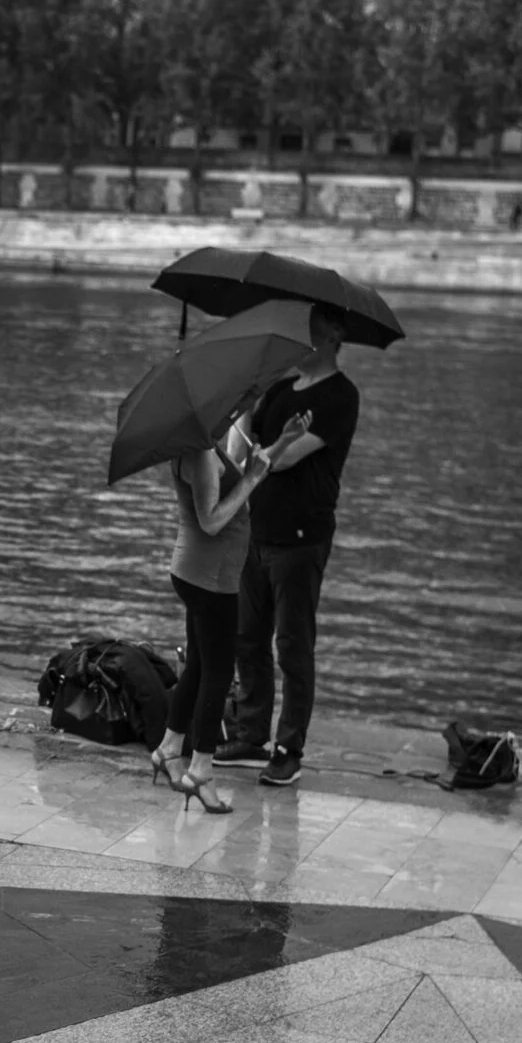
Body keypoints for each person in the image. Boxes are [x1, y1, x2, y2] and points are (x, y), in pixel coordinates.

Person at [214, 305, 362, 787]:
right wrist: (250, 399)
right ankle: (251, 734)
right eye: (308, 323)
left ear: (338, 333)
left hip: (302, 536)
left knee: (293, 646)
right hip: (258, 530)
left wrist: (265, 451)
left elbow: (283, 459)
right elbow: (240, 454)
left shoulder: (341, 395)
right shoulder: (280, 390)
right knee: (246, 637)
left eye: (321, 322)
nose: (310, 329)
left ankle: (288, 747)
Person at [150, 413, 293, 812]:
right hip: (210, 580)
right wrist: (250, 480)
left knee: (198, 666)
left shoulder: (204, 445)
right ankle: (201, 772)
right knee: (217, 674)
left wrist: (283, 441)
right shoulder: (198, 453)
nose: (230, 411)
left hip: (200, 573)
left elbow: (245, 476)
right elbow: (211, 520)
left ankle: (168, 748)